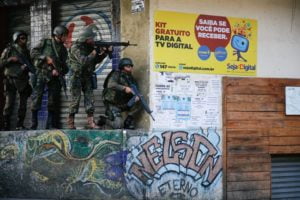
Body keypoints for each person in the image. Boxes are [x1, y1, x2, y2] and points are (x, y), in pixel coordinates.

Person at [67, 25, 113, 129]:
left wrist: (105, 53)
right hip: (76, 76)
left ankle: (91, 122)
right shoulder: (75, 47)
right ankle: (71, 122)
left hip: (87, 76)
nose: (93, 40)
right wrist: (94, 52)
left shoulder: (90, 47)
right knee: (75, 99)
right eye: (91, 38)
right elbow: (83, 61)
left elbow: (95, 60)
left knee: (90, 98)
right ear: (86, 38)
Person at [30, 25, 69, 130]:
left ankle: (50, 125)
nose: (66, 38)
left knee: (53, 101)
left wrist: (59, 71)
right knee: (37, 99)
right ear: (59, 35)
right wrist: (45, 58)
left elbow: (66, 66)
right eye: (65, 36)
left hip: (54, 77)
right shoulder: (45, 42)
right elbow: (33, 52)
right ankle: (33, 125)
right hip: (42, 74)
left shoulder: (63, 49)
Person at [0, 31, 32, 130]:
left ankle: (20, 124)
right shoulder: (9, 50)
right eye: (22, 38)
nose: (25, 40)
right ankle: (6, 125)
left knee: (23, 104)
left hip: (22, 80)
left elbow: (30, 65)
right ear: (17, 39)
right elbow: (1, 63)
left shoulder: (26, 51)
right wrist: (10, 59)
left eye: (25, 38)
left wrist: (26, 67)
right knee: (9, 103)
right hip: (10, 80)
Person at [98, 57, 141, 129]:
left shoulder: (131, 78)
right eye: (128, 66)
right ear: (122, 67)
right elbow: (111, 84)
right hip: (113, 103)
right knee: (118, 125)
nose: (130, 68)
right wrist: (124, 88)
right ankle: (103, 120)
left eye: (131, 66)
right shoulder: (116, 74)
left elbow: (135, 90)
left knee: (138, 103)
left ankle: (128, 122)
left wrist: (136, 96)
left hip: (123, 103)